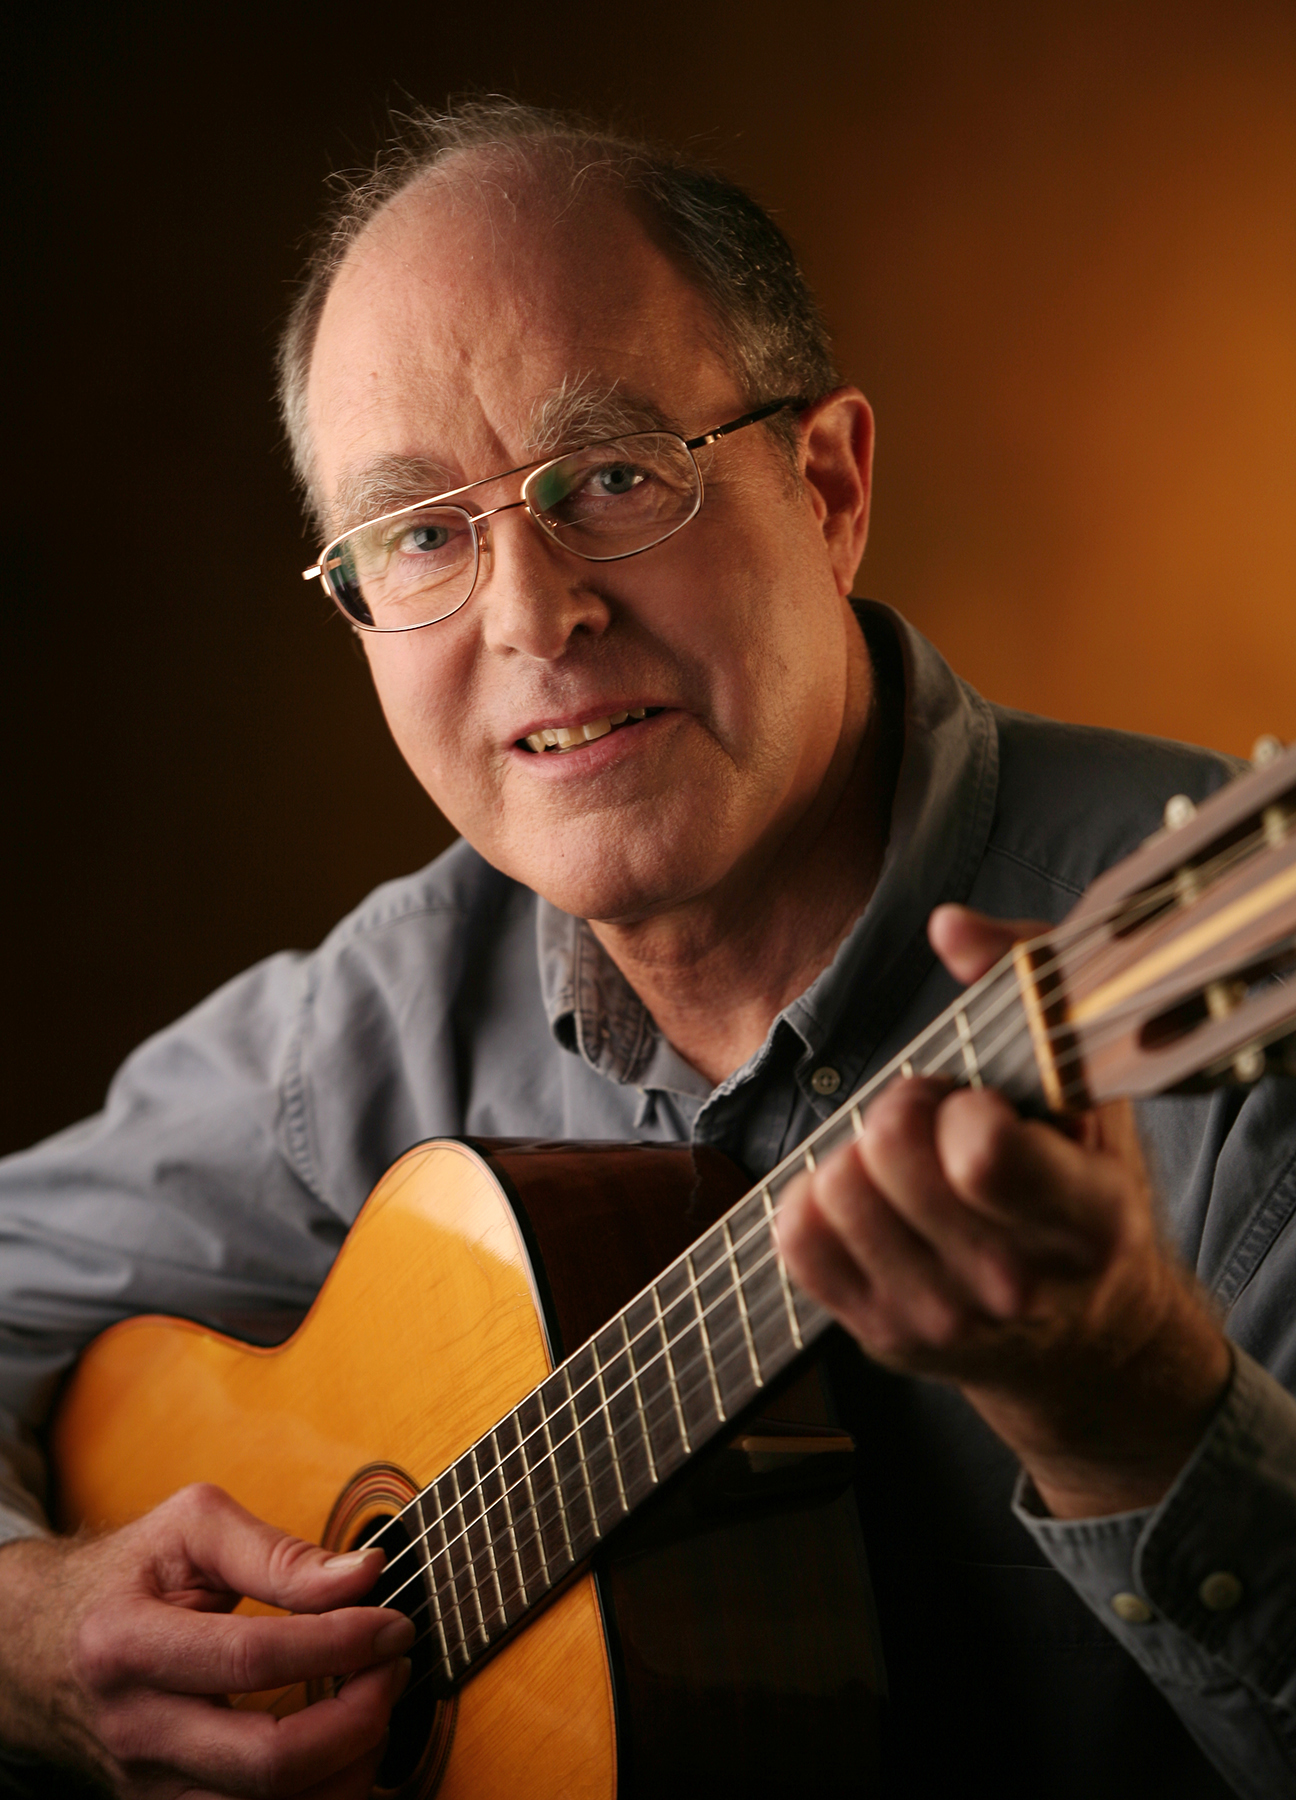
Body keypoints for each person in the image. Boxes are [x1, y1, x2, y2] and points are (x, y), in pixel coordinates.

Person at [1, 100, 1293, 1800]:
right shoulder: (384, 1021)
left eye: (611, 477)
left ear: (826, 486)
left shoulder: (1224, 1022)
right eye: (422, 534)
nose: (533, 616)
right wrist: (34, 1630)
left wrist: (1128, 1403)